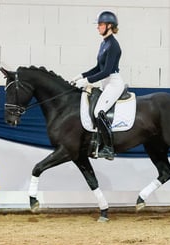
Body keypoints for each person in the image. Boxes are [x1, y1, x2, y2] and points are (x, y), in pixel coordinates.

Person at [71, 11, 126, 160]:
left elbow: (107, 71)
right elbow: (98, 67)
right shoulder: (104, 43)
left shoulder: (113, 45)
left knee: (98, 111)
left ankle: (108, 148)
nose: (98, 27)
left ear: (109, 26)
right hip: (105, 83)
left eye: (100, 25)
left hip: (113, 83)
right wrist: (81, 76)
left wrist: (88, 81)